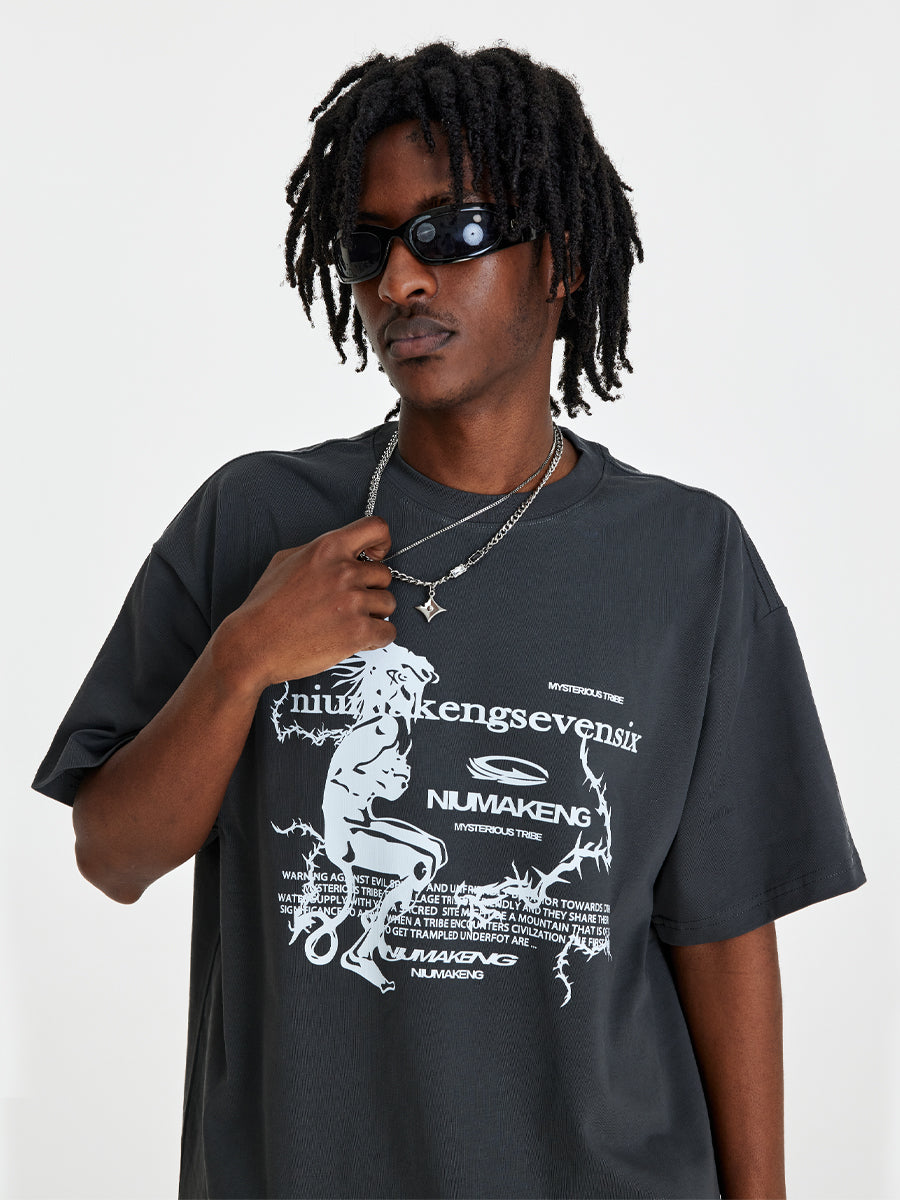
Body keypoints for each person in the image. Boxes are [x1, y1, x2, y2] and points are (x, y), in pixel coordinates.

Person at [33, 41, 865, 1200]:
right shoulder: (255, 519)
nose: (402, 282)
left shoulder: (689, 557)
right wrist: (244, 657)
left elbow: (721, 934)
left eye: (452, 233)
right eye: (370, 245)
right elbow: (112, 855)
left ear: (562, 259)